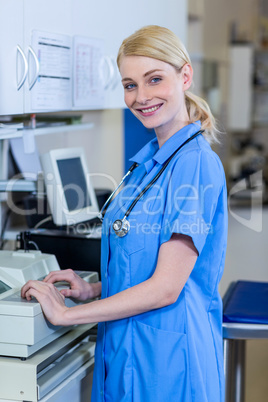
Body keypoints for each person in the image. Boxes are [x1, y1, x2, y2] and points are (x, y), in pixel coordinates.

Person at [21, 25, 228, 402]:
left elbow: (167, 286)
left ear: (185, 76)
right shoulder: (148, 162)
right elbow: (142, 264)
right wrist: (92, 290)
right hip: (126, 349)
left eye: (154, 80)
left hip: (168, 364)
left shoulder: (195, 165)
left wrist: (66, 315)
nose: (141, 96)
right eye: (130, 84)